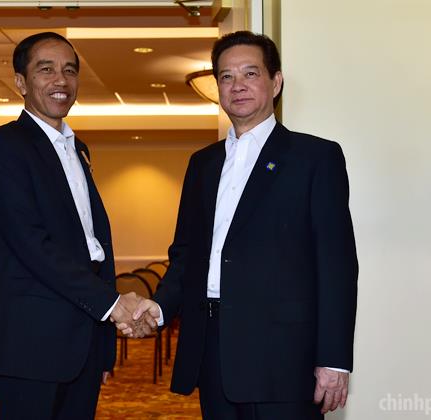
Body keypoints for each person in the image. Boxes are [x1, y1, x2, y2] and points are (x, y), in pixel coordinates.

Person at [126, 31, 358, 419]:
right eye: (226, 76)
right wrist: (161, 306)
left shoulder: (316, 158)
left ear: (276, 82)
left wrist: (334, 359)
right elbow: (187, 255)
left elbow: (336, 265)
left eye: (250, 73)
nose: (238, 86)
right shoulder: (202, 164)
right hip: (212, 349)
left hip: (284, 356)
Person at [0, 32, 144, 419]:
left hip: (84, 340)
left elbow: (94, 246)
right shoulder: (4, 145)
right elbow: (30, 243)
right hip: (31, 341)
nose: (60, 80)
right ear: (21, 82)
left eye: (69, 70)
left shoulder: (79, 149)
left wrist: (103, 345)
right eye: (45, 69)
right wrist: (113, 305)